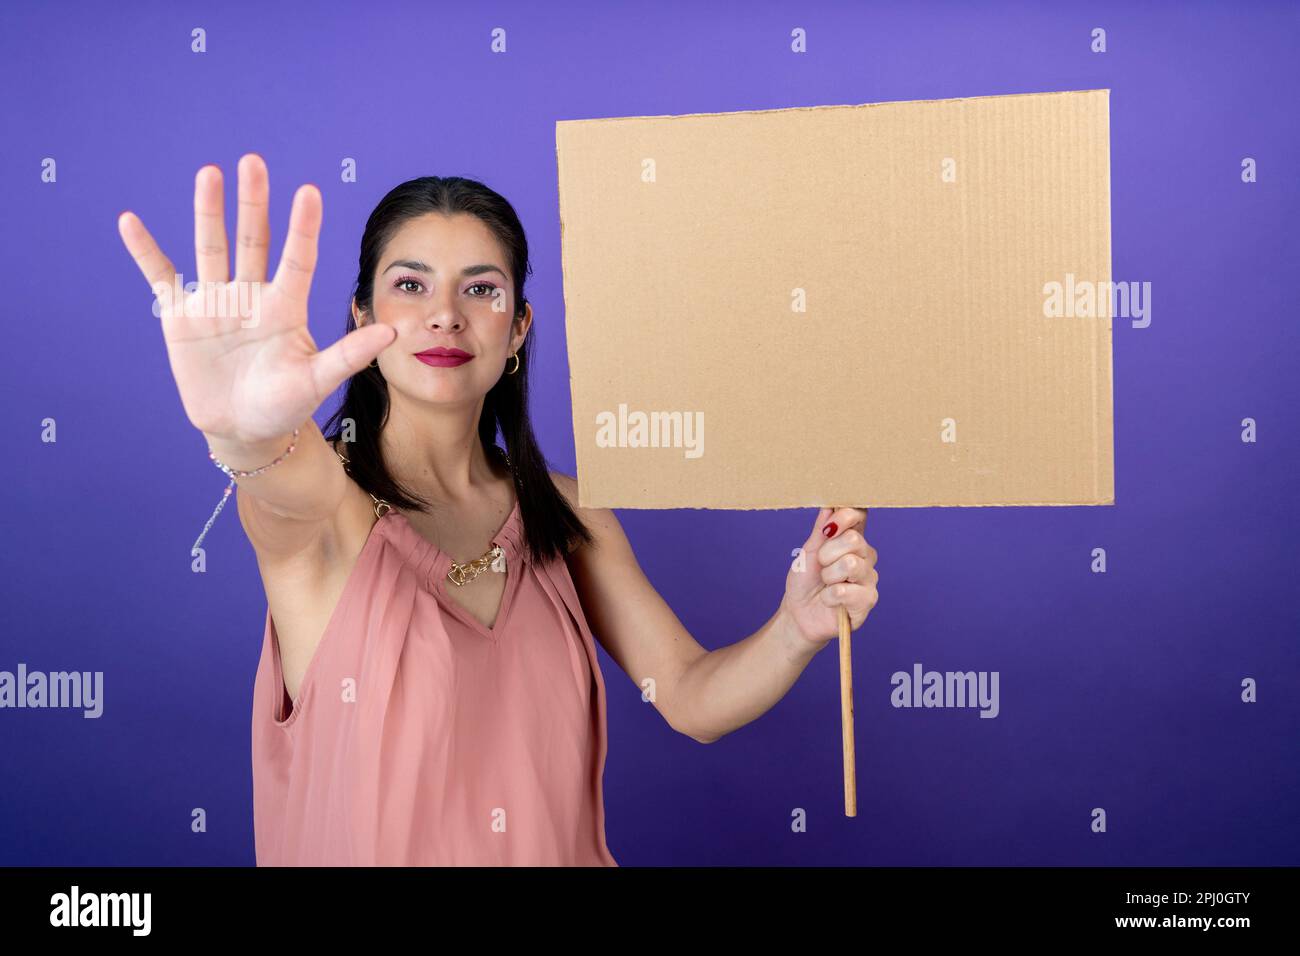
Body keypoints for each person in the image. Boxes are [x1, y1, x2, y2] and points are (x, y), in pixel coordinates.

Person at [116, 154, 880, 866]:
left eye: (481, 289)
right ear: (358, 317)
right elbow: (278, 491)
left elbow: (687, 696)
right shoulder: (326, 509)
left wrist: (797, 624)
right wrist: (244, 434)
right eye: (410, 285)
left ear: (517, 327)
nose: (445, 315)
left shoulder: (568, 514)